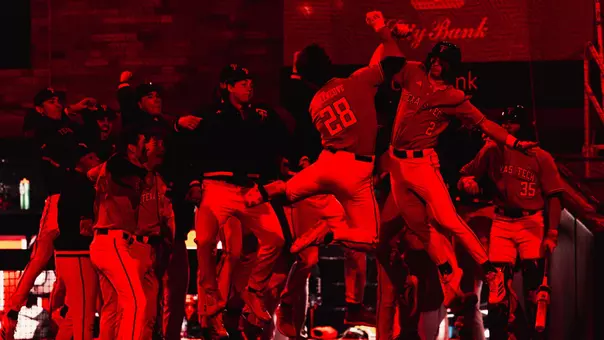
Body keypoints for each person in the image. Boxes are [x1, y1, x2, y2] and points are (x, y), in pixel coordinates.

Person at [367, 10, 538, 307]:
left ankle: (491, 270)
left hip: (422, 163)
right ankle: (449, 272)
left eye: (442, 62)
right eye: (434, 59)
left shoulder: (454, 97)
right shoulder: (412, 71)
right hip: (397, 163)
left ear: (450, 67)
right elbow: (383, 63)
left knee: (448, 219)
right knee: (419, 225)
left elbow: (485, 123)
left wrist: (513, 141)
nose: (436, 64)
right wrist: (387, 31)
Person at [187, 64, 288, 330]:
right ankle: (209, 295)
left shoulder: (260, 115)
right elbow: (192, 149)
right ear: (228, 87)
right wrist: (194, 181)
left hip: (249, 188)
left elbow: (276, 143)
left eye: (250, 82)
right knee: (206, 239)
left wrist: (277, 169)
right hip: (217, 184)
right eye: (242, 83)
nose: (249, 87)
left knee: (275, 238)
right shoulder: (211, 114)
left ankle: (253, 290)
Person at [458, 105, 563, 339]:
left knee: (535, 290)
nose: (506, 126)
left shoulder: (540, 156)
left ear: (525, 126)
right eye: (504, 122)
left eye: (512, 122)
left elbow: (555, 195)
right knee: (497, 290)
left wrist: (552, 232)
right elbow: (465, 175)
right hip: (503, 221)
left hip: (531, 222)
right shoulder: (492, 149)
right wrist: (467, 183)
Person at [1, 89, 95, 340]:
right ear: (41, 108)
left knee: (70, 261)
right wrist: (70, 109)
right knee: (41, 256)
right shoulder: (39, 127)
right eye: (51, 102)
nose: (57, 105)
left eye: (58, 101)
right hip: (57, 199)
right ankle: (12, 310)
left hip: (80, 199)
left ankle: (58, 311)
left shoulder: (70, 128)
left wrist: (72, 111)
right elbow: (31, 122)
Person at [89, 126, 165, 340]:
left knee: (113, 308)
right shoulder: (118, 162)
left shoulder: (121, 167)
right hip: (112, 241)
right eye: (143, 143)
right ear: (131, 147)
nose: (147, 146)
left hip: (107, 241)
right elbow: (117, 164)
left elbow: (90, 174)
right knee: (136, 300)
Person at [53, 144, 101, 340]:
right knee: (84, 313)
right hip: (77, 253)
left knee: (75, 313)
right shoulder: (80, 183)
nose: (97, 160)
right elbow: (85, 227)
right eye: (92, 157)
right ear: (83, 160)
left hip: (69, 252)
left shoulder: (71, 182)